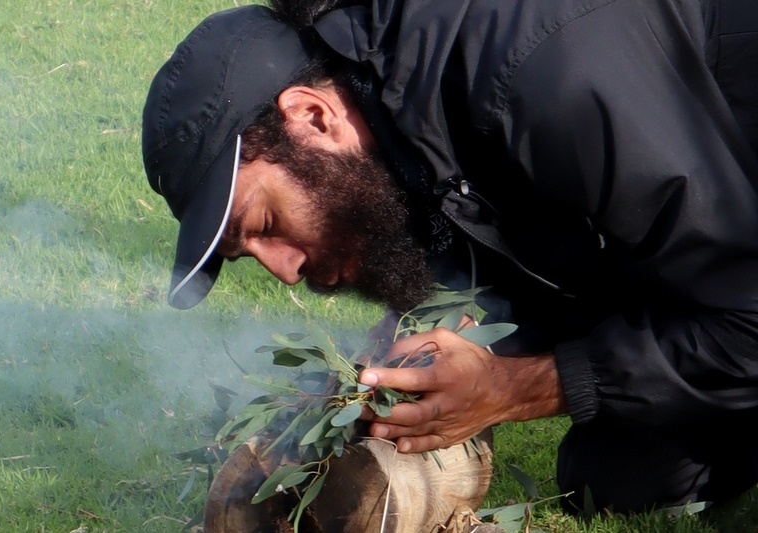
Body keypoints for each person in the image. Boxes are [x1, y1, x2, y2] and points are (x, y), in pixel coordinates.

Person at [141, 0, 758, 515]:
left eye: (266, 224)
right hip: (710, 237)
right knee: (617, 483)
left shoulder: (548, 77)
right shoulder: (394, 78)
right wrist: (408, 359)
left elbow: (748, 313)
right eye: (248, 255)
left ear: (312, 115)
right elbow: (512, 218)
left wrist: (521, 387)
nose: (283, 270)